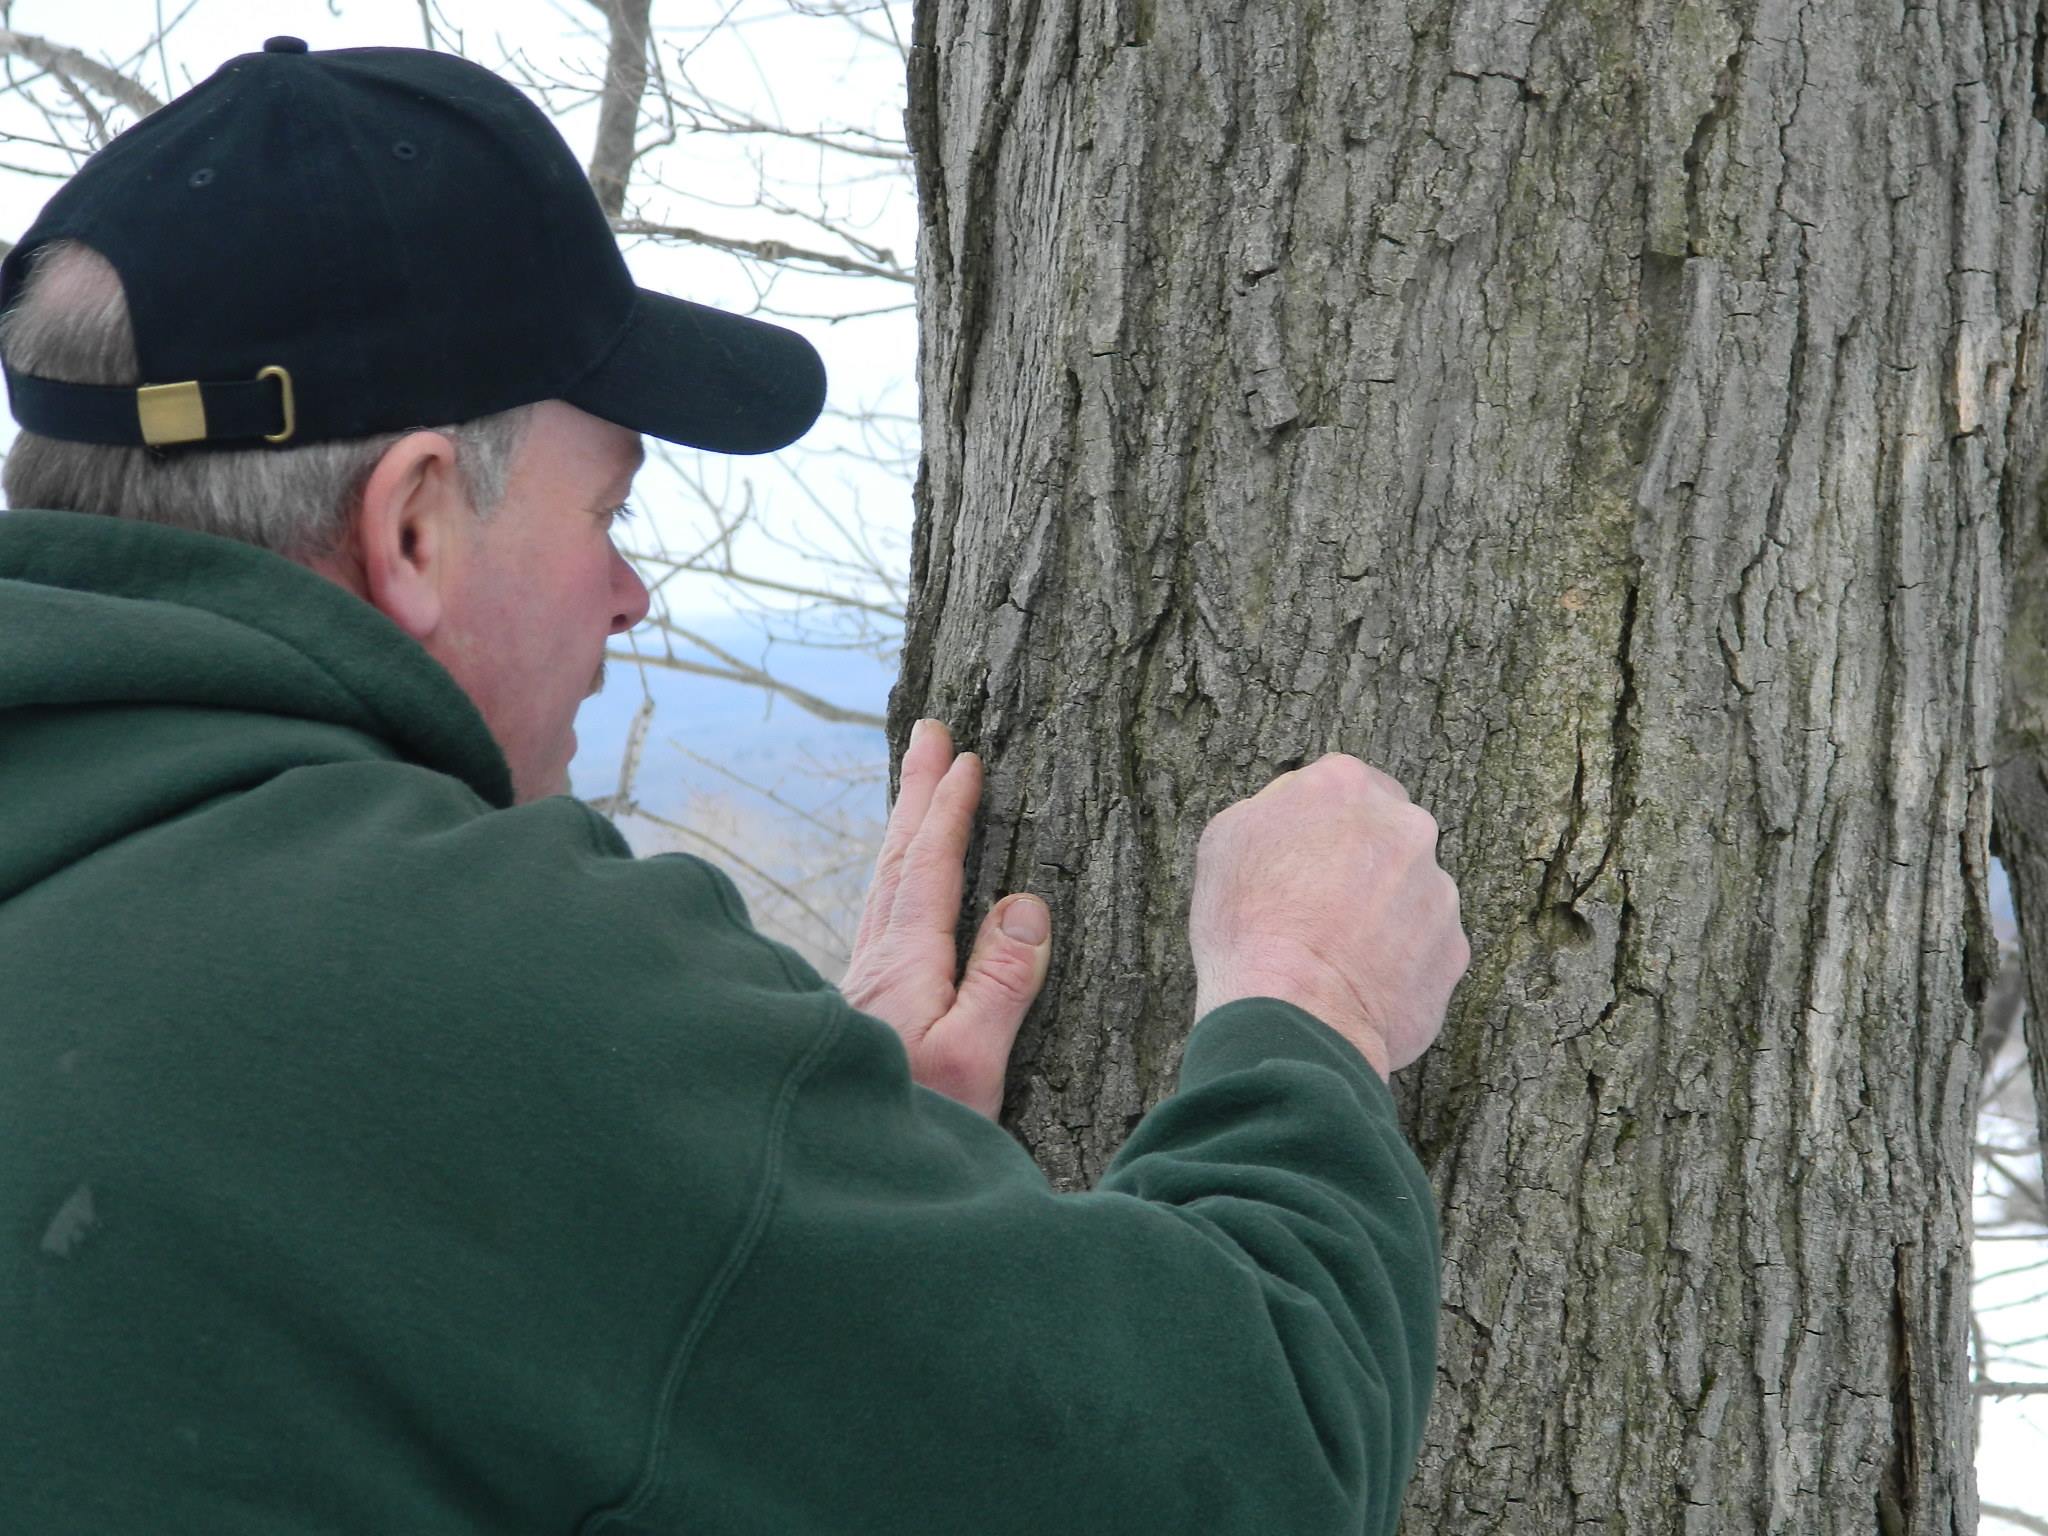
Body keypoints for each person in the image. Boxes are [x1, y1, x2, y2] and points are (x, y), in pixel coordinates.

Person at [0, 38, 1471, 1536]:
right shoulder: (460, 981)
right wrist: (1314, 1007)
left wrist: (793, 1184)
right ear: (418, 525)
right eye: (610, 506)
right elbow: (1238, 1464)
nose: (631, 591)